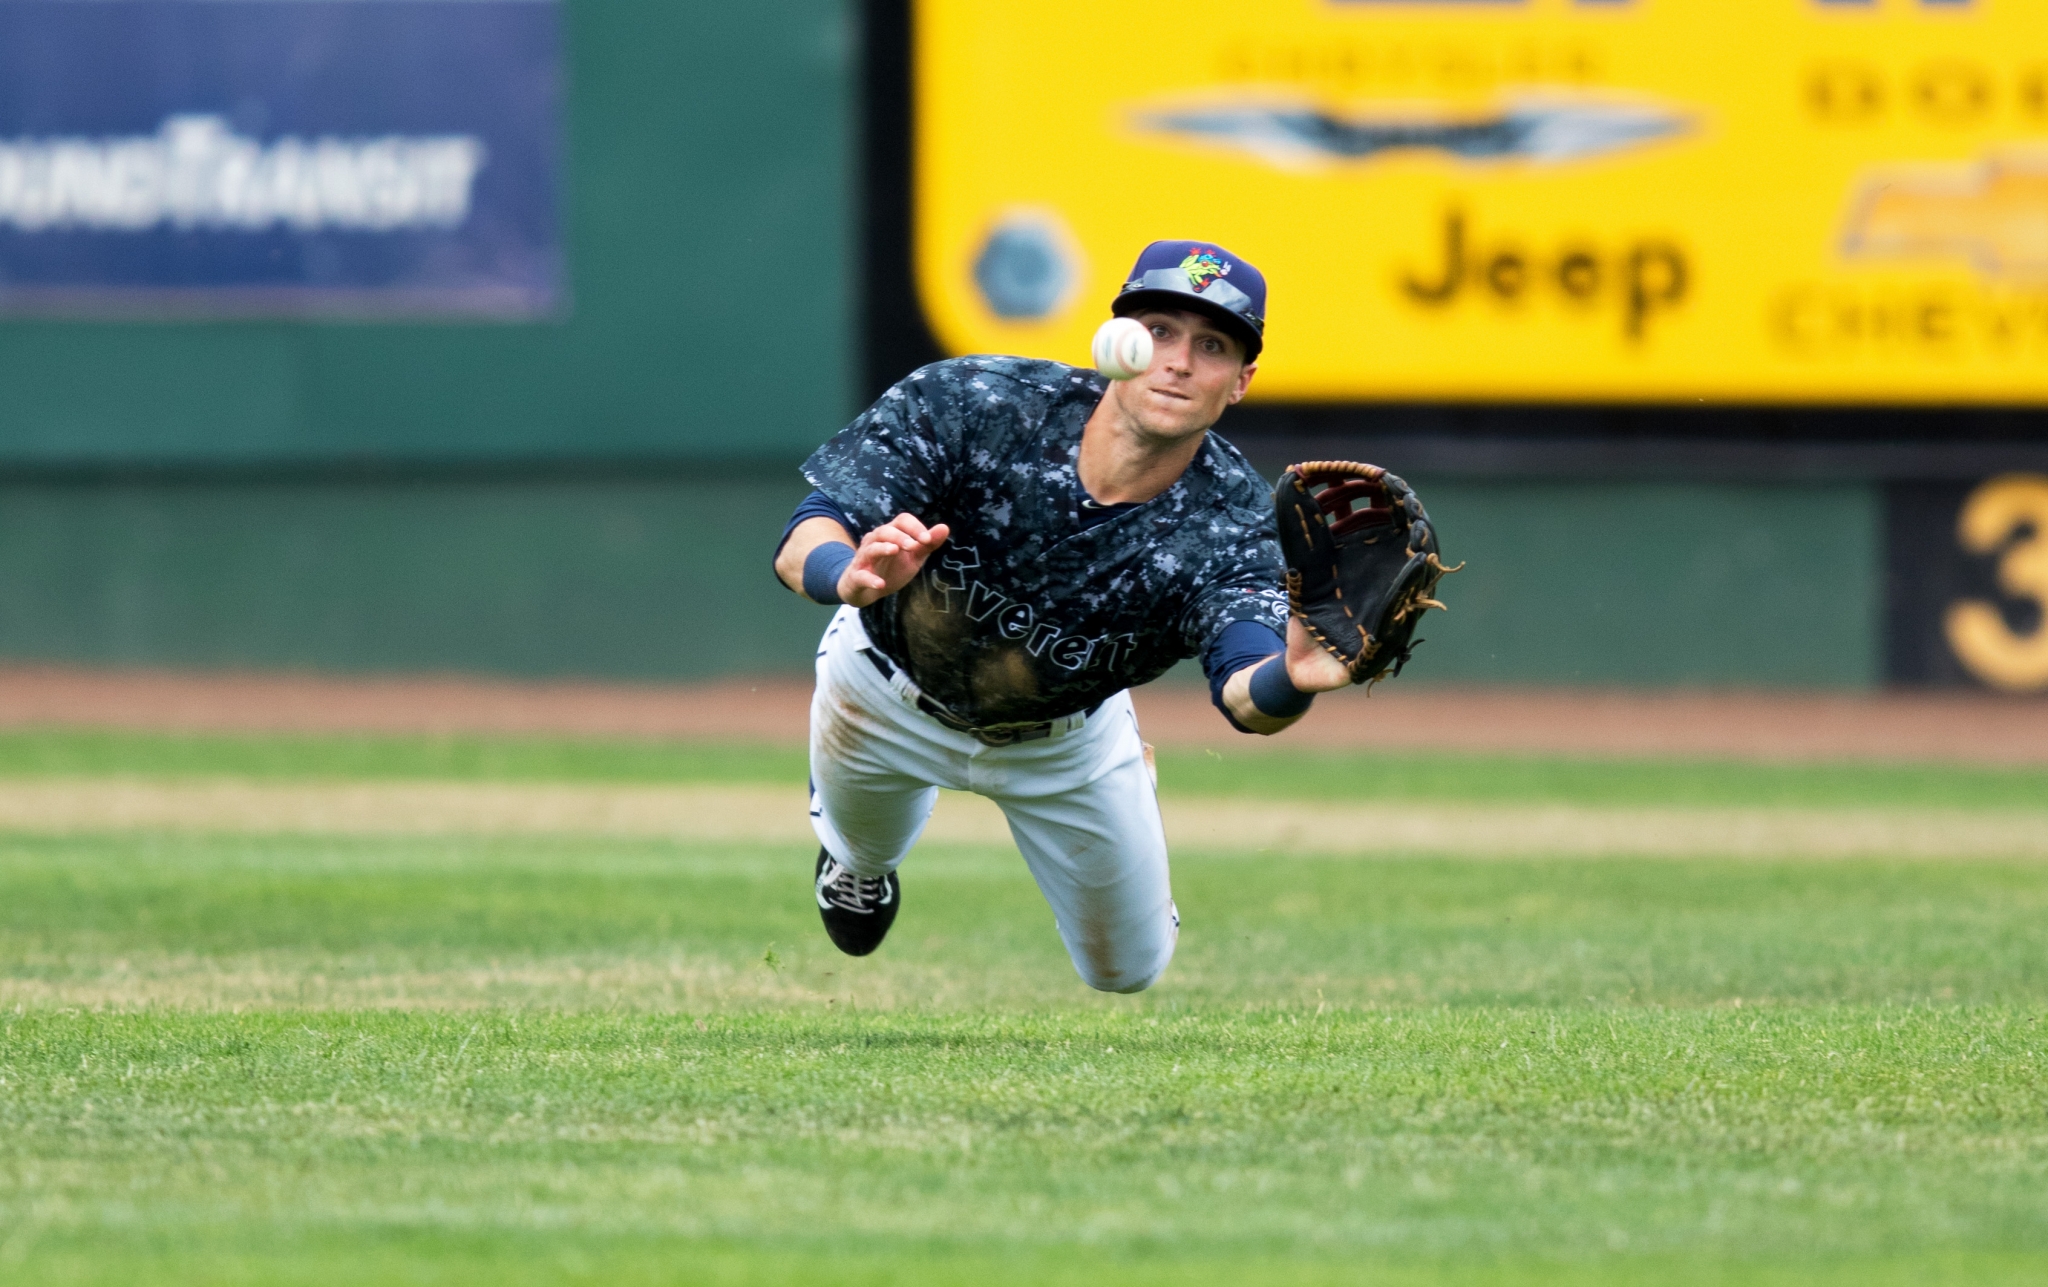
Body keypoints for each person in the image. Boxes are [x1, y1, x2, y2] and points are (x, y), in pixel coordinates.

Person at [771, 240, 1349, 993]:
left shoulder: (1236, 524)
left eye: (1212, 345)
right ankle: (853, 860)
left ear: (1240, 381)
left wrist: (1292, 679)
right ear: (1117, 343)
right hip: (884, 692)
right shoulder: (979, 401)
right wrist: (841, 574)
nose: (1178, 360)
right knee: (862, 852)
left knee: (1128, 971)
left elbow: (1245, 688)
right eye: (1160, 331)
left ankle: (1116, 789)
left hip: (1063, 743)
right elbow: (806, 534)